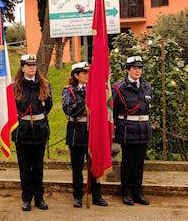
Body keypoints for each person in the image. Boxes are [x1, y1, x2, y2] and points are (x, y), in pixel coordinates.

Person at [62, 61, 107, 208]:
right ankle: (78, 195)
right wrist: (87, 101)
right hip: (77, 130)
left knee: (95, 163)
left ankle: (96, 195)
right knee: (77, 166)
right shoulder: (68, 91)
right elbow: (70, 110)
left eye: (88, 73)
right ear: (76, 75)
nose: (87, 76)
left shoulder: (95, 89)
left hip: (93, 130)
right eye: (84, 73)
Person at [12, 54, 52, 211]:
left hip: (39, 129)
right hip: (22, 131)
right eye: (28, 65)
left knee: (38, 167)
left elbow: (48, 105)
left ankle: (39, 198)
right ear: (22, 67)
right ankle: (26, 198)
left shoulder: (45, 84)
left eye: (34, 65)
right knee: (24, 167)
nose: (32, 67)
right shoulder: (15, 86)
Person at [112, 55, 152, 206]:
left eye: (140, 68)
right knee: (128, 163)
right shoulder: (119, 88)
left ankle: (138, 192)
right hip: (128, 129)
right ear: (128, 70)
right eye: (134, 68)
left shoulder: (147, 87)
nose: (137, 71)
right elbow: (114, 111)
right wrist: (118, 129)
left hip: (143, 129)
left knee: (139, 164)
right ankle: (127, 192)